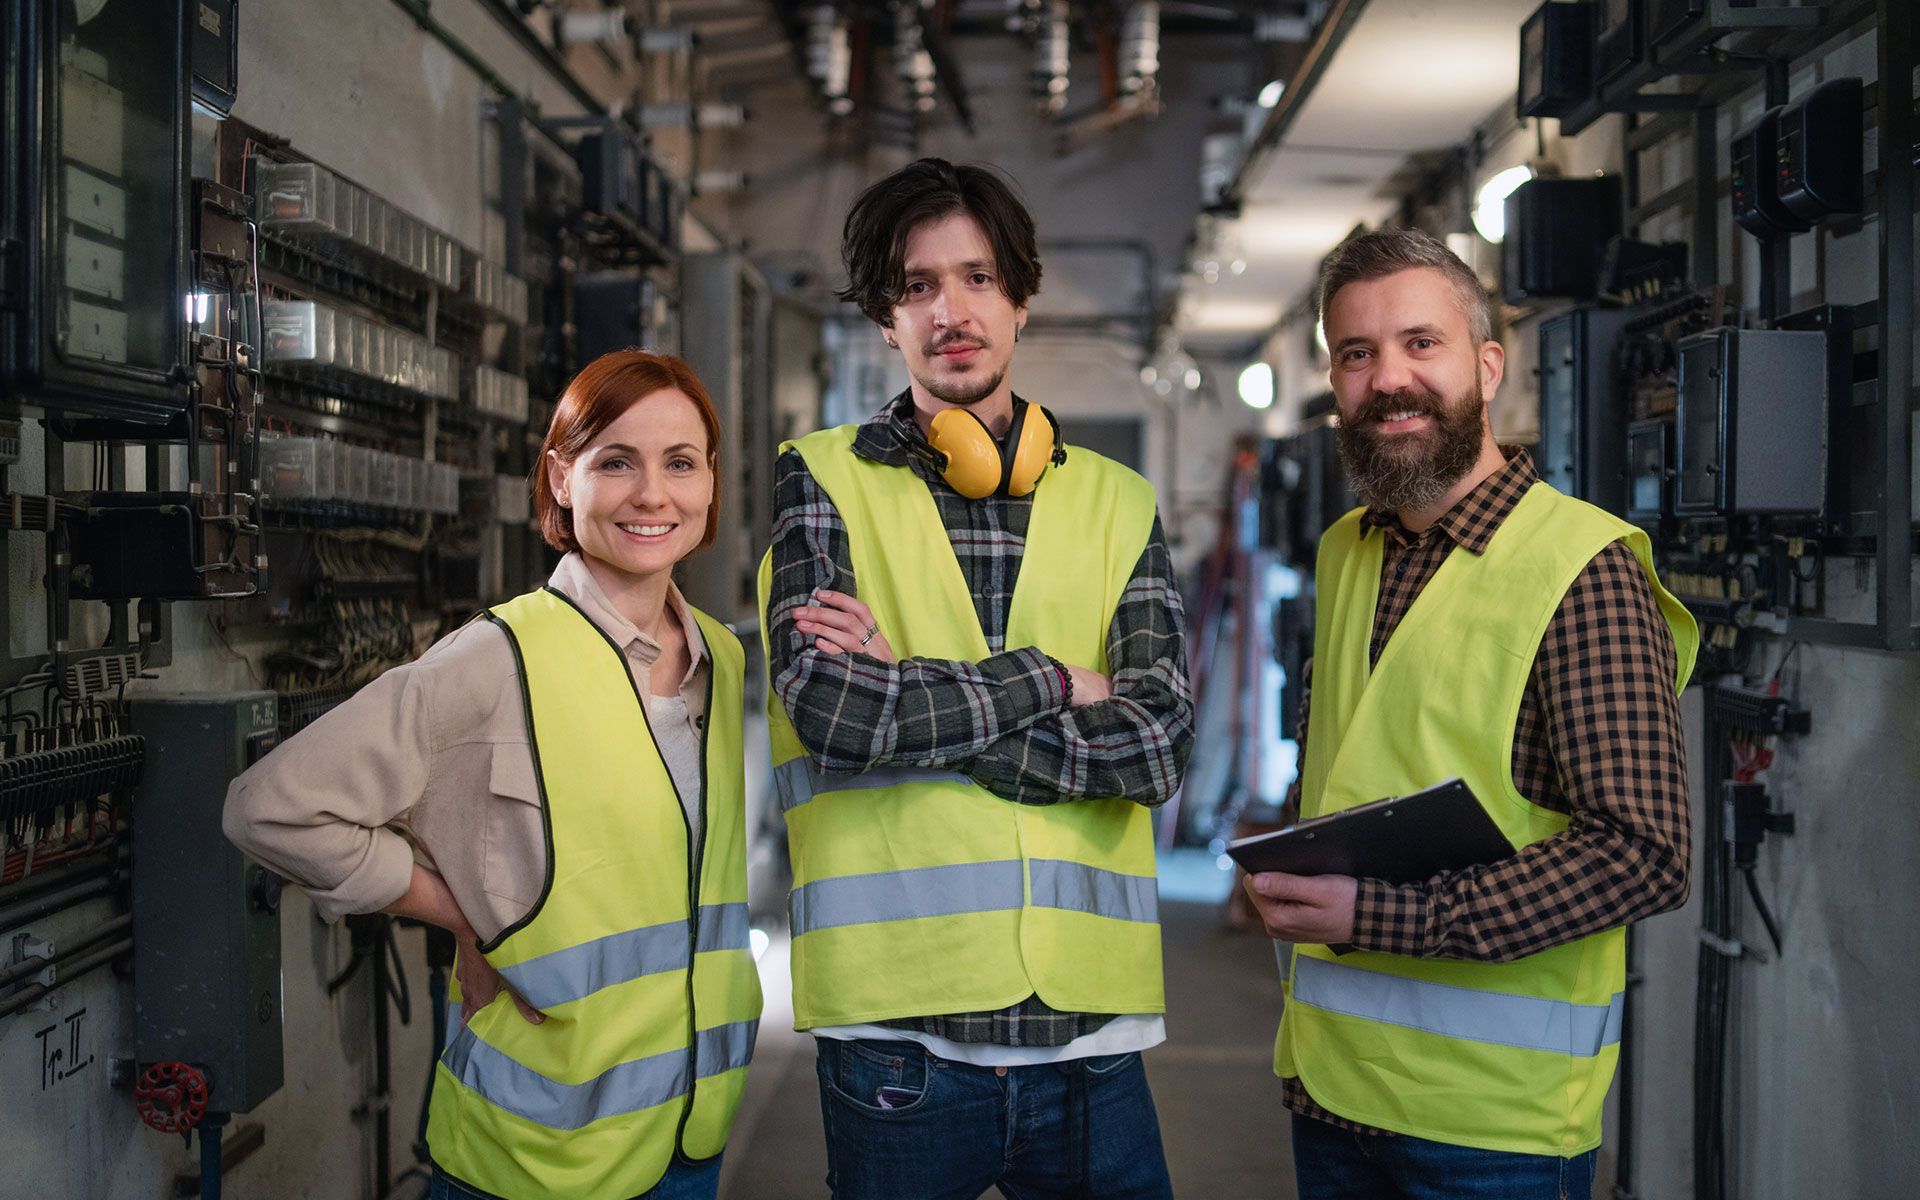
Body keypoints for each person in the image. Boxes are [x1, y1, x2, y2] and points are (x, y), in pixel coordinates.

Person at [223, 351, 763, 1200]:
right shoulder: (497, 659)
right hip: (532, 1160)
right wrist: (461, 917)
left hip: (687, 1139)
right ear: (559, 478)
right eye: (614, 461)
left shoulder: (722, 662)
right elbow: (270, 809)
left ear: (710, 482)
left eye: (680, 463)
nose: (653, 494)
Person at [755, 158, 1193, 1200]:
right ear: (886, 316)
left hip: (1091, 1035)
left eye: (978, 278)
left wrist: (911, 701)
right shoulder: (819, 476)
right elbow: (832, 711)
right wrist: (1049, 676)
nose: (951, 310)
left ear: (1022, 297)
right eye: (918, 286)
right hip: (896, 1042)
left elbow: (1160, 743)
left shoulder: (1120, 503)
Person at [1240, 227, 1697, 1200]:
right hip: (1330, 1095)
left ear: (1488, 367)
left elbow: (1644, 852)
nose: (1388, 378)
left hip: (1493, 1134)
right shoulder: (1346, 551)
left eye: (1421, 344)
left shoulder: (1583, 568)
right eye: (1357, 353)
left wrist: (1384, 914)